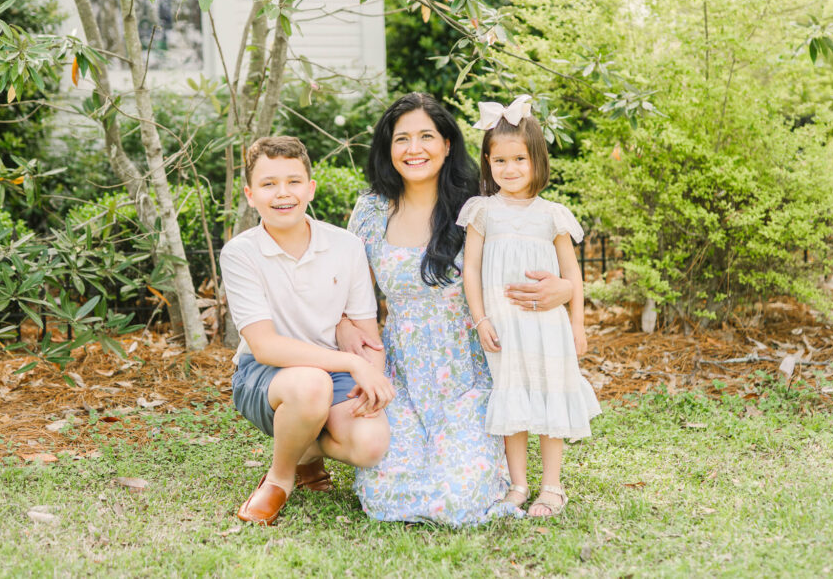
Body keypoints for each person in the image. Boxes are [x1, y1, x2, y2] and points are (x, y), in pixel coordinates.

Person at [336, 93, 576, 525]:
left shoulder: (480, 204)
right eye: (402, 139)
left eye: (426, 136)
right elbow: (342, 290)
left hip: (470, 372)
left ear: (448, 144)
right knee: (387, 490)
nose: (414, 149)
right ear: (387, 149)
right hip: (401, 375)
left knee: (460, 496)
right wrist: (344, 327)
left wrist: (562, 288)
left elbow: (535, 250)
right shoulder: (371, 211)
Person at [221, 136, 395, 525]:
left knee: (371, 445)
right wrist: (351, 361)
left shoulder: (345, 246)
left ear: (310, 188)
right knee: (310, 386)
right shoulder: (240, 253)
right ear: (250, 195)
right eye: (268, 184)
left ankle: (305, 452)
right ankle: (280, 478)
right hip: (266, 377)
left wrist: (372, 375)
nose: (283, 193)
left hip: (333, 372)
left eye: (294, 181)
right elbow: (265, 347)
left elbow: (366, 333)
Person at [457, 95, 601, 518]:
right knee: (513, 398)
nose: (510, 169)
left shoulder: (552, 215)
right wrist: (479, 317)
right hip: (503, 325)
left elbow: (572, 276)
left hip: (547, 325)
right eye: (499, 161)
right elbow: (470, 271)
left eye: (519, 158)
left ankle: (552, 486)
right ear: (487, 163)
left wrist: (578, 325)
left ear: (537, 159)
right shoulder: (483, 211)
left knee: (551, 393)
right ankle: (518, 485)